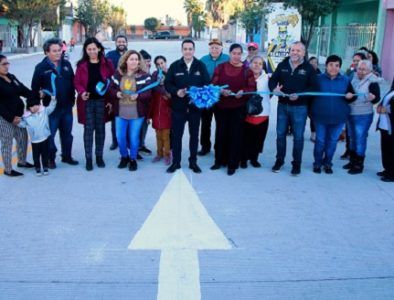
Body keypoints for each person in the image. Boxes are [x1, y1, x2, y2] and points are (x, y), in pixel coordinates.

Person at [268, 41, 318, 176]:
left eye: (298, 51)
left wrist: (300, 96)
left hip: (300, 108)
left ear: (303, 53)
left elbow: (314, 87)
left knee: (298, 137)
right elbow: (272, 80)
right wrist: (274, 88)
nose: (295, 53)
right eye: (293, 50)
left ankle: (296, 164)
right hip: (282, 106)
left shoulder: (309, 68)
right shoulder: (282, 65)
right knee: (280, 135)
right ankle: (279, 161)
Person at [164, 39, 210, 173]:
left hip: (195, 109)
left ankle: (193, 162)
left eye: (190, 49)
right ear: (182, 50)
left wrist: (197, 94)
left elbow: (206, 83)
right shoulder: (175, 66)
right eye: (185, 49)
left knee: (194, 136)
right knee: (177, 136)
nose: (188, 51)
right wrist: (176, 91)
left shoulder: (200, 66)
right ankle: (176, 162)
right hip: (178, 108)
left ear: (194, 50)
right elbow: (168, 84)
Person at [31, 38, 79, 169]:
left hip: (67, 107)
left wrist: (72, 99)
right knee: (50, 135)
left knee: (67, 134)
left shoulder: (66, 65)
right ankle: (50, 158)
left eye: (59, 50)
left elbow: (73, 82)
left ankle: (67, 156)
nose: (58, 53)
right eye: (54, 51)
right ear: (47, 52)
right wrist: (34, 104)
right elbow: (34, 89)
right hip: (51, 109)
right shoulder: (41, 68)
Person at [210, 43, 256, 176]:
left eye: (239, 53)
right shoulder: (221, 67)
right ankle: (219, 161)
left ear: (241, 54)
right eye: (234, 53)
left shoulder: (247, 70)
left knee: (235, 135)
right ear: (229, 54)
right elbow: (213, 84)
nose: (236, 56)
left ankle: (232, 164)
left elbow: (252, 87)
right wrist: (221, 90)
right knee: (221, 133)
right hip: (222, 107)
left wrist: (244, 91)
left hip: (238, 108)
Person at [74, 37, 114, 171]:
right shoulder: (81, 65)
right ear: (86, 50)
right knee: (88, 130)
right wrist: (81, 92)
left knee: (101, 130)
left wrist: (109, 101)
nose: (92, 51)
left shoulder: (107, 63)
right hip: (87, 102)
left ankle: (99, 157)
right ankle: (89, 159)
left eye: (94, 49)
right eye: (89, 49)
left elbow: (111, 83)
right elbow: (77, 82)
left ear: (99, 49)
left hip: (102, 101)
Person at [311, 55, 355, 174]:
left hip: (338, 118)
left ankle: (328, 163)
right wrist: (311, 113)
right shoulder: (317, 78)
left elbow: (351, 97)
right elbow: (309, 96)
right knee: (320, 141)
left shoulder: (346, 80)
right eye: (331, 65)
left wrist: (350, 97)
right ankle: (317, 163)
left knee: (332, 142)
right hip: (320, 117)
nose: (333, 68)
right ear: (326, 65)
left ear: (340, 67)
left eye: (337, 65)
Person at [109, 50, 152, 171]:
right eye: (131, 59)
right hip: (121, 112)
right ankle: (124, 157)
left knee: (134, 138)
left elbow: (148, 93)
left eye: (136, 59)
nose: (134, 61)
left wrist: (139, 96)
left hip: (137, 113)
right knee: (120, 137)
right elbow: (110, 88)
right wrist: (116, 93)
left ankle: (133, 159)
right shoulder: (118, 74)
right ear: (126, 60)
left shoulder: (144, 76)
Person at [344, 59, 381, 174]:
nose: (361, 71)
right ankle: (352, 160)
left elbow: (377, 98)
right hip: (350, 113)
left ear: (370, 70)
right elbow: (348, 92)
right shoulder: (352, 78)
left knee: (360, 139)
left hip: (363, 115)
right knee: (351, 138)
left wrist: (373, 98)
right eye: (360, 68)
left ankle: (359, 165)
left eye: (364, 69)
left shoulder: (373, 80)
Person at [0, 55, 35, 176]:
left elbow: (23, 90)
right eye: (3, 64)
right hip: (5, 118)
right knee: (7, 143)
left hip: (19, 116)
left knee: (22, 139)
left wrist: (35, 95)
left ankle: (22, 161)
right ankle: (8, 169)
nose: (6, 66)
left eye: (7, 63)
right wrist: (11, 118)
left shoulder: (11, 77)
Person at [198, 38, 230, 156]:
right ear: (209, 48)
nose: (214, 49)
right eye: (212, 47)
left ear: (221, 48)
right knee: (205, 123)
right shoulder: (203, 60)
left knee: (221, 124)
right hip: (207, 97)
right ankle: (205, 147)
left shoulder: (227, 58)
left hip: (222, 97)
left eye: (217, 47)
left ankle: (219, 147)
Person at [241, 56, 270, 169]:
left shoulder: (268, 78)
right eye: (255, 63)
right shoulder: (243, 76)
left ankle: (254, 158)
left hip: (263, 114)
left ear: (263, 66)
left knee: (258, 138)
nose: (257, 65)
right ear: (250, 64)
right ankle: (243, 159)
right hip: (246, 113)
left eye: (260, 63)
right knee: (245, 138)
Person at [19, 96, 57, 176]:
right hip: (35, 140)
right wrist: (17, 121)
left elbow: (51, 107)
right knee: (36, 156)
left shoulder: (44, 111)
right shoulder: (26, 117)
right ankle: (38, 168)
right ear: (29, 107)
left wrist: (53, 100)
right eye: (33, 106)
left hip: (45, 138)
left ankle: (45, 167)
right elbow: (22, 125)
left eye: (37, 105)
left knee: (45, 155)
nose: (35, 107)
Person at [106, 34, 128, 150]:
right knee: (115, 117)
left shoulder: (132, 55)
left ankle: (128, 141)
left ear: (126, 43)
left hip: (129, 90)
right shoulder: (109, 56)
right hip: (114, 90)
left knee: (130, 116)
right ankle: (115, 141)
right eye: (119, 42)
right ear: (116, 43)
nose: (121, 44)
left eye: (123, 42)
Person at [148, 55, 172, 165]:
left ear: (165, 62)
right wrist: (149, 115)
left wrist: (167, 93)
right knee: (158, 135)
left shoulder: (170, 74)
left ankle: (167, 154)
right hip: (156, 111)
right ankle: (159, 154)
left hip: (167, 112)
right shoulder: (154, 75)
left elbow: (172, 90)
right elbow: (153, 87)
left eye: (162, 63)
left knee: (166, 136)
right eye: (158, 64)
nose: (160, 65)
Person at [376, 77, 394, 182]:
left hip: (391, 127)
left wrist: (387, 109)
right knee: (385, 150)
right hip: (384, 126)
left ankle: (392, 174)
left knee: (392, 151)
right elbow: (385, 101)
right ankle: (387, 169)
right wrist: (379, 106)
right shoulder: (391, 91)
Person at [138, 49, 153, 156]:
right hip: (137, 106)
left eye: (149, 61)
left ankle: (141, 145)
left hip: (147, 106)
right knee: (136, 128)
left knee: (144, 126)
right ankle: (134, 148)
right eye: (146, 61)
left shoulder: (149, 73)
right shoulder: (137, 74)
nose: (149, 63)